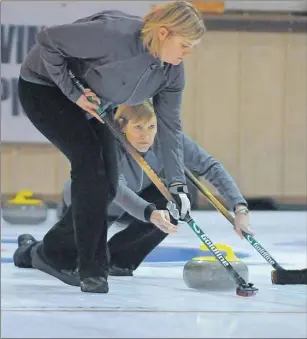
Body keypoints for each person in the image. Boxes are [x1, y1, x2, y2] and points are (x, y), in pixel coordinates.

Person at [17, 1, 206, 293]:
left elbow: (170, 130)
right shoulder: (114, 34)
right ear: (164, 33)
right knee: (90, 165)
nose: (188, 53)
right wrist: (72, 91)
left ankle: (48, 252)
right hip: (45, 88)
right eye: (185, 44)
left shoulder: (171, 73)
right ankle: (92, 270)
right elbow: (48, 40)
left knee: (107, 183)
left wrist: (178, 185)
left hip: (96, 104)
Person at [14, 101, 253, 286]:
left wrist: (239, 208)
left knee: (177, 202)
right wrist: (149, 213)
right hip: (92, 200)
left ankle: (119, 259)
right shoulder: (109, 141)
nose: (146, 135)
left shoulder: (168, 140)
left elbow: (210, 166)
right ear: (121, 127)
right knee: (59, 256)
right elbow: (116, 188)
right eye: (137, 127)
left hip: (135, 198)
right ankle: (29, 249)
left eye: (151, 127)